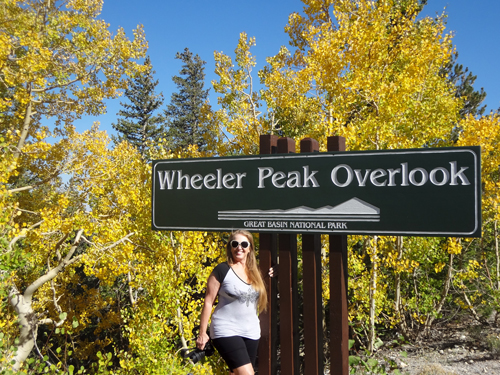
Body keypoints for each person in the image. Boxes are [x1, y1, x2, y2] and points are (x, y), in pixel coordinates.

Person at [196, 230, 272, 375]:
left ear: (250, 248)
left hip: (251, 332)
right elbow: (208, 302)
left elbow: (280, 268)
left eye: (244, 244)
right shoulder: (222, 270)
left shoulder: (255, 272)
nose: (239, 247)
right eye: (235, 244)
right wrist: (202, 333)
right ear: (230, 247)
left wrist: (278, 268)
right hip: (226, 328)